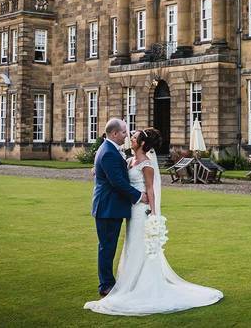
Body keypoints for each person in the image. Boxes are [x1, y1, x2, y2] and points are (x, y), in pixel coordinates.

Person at [85, 127, 223, 316]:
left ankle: (142, 284)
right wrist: (97, 168)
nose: (130, 139)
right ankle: (129, 282)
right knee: (131, 246)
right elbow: (114, 173)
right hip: (130, 210)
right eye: (130, 136)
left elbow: (151, 190)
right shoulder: (129, 160)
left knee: (140, 247)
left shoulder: (147, 164)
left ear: (142, 143)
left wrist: (154, 214)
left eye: (133, 138)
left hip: (142, 210)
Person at [90, 118, 148, 297]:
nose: (126, 135)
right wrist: (139, 196)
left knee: (108, 246)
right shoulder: (108, 152)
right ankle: (106, 285)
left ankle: (108, 282)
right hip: (108, 208)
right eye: (124, 132)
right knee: (107, 247)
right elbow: (118, 182)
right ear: (114, 134)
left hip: (111, 207)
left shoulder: (110, 149)